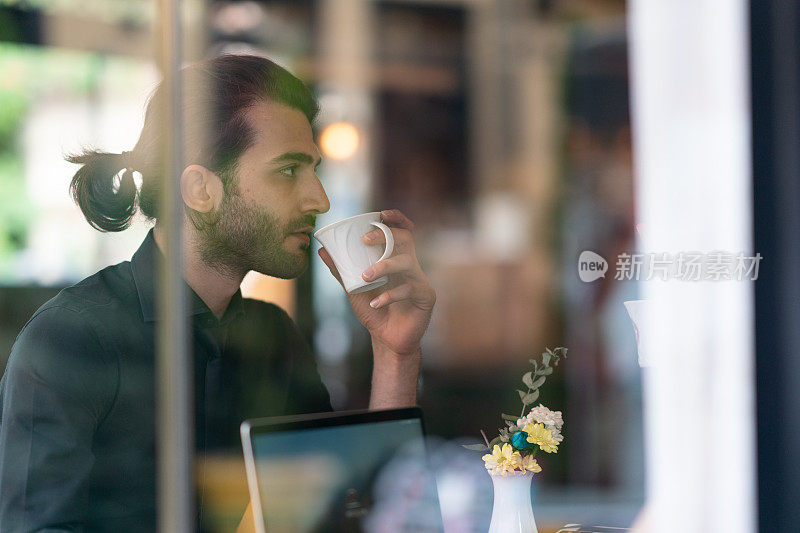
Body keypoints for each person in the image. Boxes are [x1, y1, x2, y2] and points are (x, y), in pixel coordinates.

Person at [0, 54, 435, 531]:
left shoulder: (273, 336)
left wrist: (395, 353)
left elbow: (353, 515)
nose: (321, 199)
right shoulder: (72, 339)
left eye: (314, 169)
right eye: (288, 171)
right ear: (200, 190)